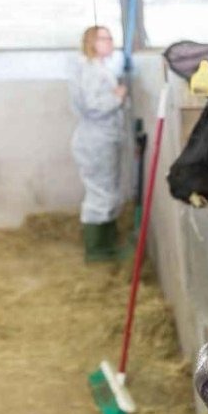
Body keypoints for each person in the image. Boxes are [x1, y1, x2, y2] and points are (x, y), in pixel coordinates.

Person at [70, 25, 127, 261]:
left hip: (103, 136)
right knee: (99, 194)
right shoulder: (90, 70)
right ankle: (98, 251)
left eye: (111, 37)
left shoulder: (99, 68)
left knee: (106, 190)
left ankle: (107, 244)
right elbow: (92, 106)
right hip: (96, 138)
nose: (110, 42)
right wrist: (117, 96)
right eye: (104, 38)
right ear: (92, 42)